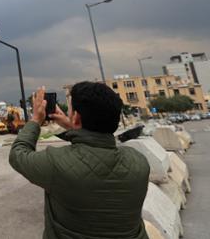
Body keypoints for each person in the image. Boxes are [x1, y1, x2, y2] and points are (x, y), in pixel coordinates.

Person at [9, 82, 150, 239]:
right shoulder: (139, 162)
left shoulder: (56, 163)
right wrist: (75, 127)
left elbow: (18, 154)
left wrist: (35, 120)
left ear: (76, 117)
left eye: (70, 110)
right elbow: (103, 146)